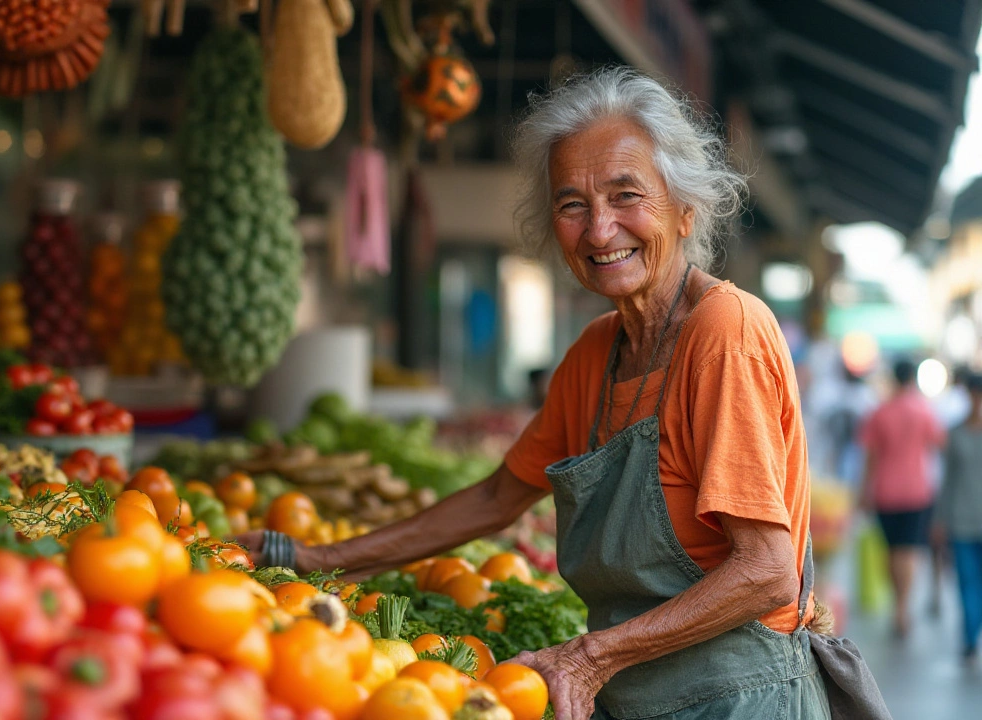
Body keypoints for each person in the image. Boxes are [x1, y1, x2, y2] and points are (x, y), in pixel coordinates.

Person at [242, 68, 828, 719]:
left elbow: (766, 570)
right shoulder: (593, 355)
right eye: (572, 204)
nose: (600, 230)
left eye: (625, 195)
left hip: (738, 699)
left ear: (686, 208)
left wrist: (589, 656)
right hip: (631, 697)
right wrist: (318, 558)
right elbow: (497, 497)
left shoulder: (724, 329)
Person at [859, 358, 946, 637]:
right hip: (917, 490)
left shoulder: (880, 411)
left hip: (886, 490)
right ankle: (903, 606)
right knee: (909, 550)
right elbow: (939, 444)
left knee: (891, 549)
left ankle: (898, 604)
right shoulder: (924, 410)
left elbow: (870, 456)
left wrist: (865, 490)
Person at [935, 371, 982, 660]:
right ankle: (969, 635)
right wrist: (940, 519)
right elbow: (947, 479)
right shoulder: (954, 433)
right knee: (966, 581)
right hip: (961, 519)